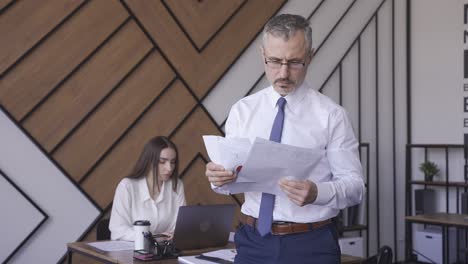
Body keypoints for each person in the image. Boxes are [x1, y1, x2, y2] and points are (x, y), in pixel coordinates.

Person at [205, 14, 365, 263]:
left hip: (311, 244)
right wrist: (219, 179)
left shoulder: (332, 115)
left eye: (295, 62)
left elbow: (355, 187)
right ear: (263, 55)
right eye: (275, 61)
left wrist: (317, 193)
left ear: (310, 57)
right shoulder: (242, 111)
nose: (283, 73)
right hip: (253, 241)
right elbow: (229, 182)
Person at [109, 136, 186, 241]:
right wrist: (153, 237)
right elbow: (118, 231)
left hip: (165, 251)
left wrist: (174, 234)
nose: (169, 168)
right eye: (162, 162)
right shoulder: (127, 186)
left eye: (172, 162)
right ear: (149, 161)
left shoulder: (176, 185)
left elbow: (180, 226)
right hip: (130, 253)